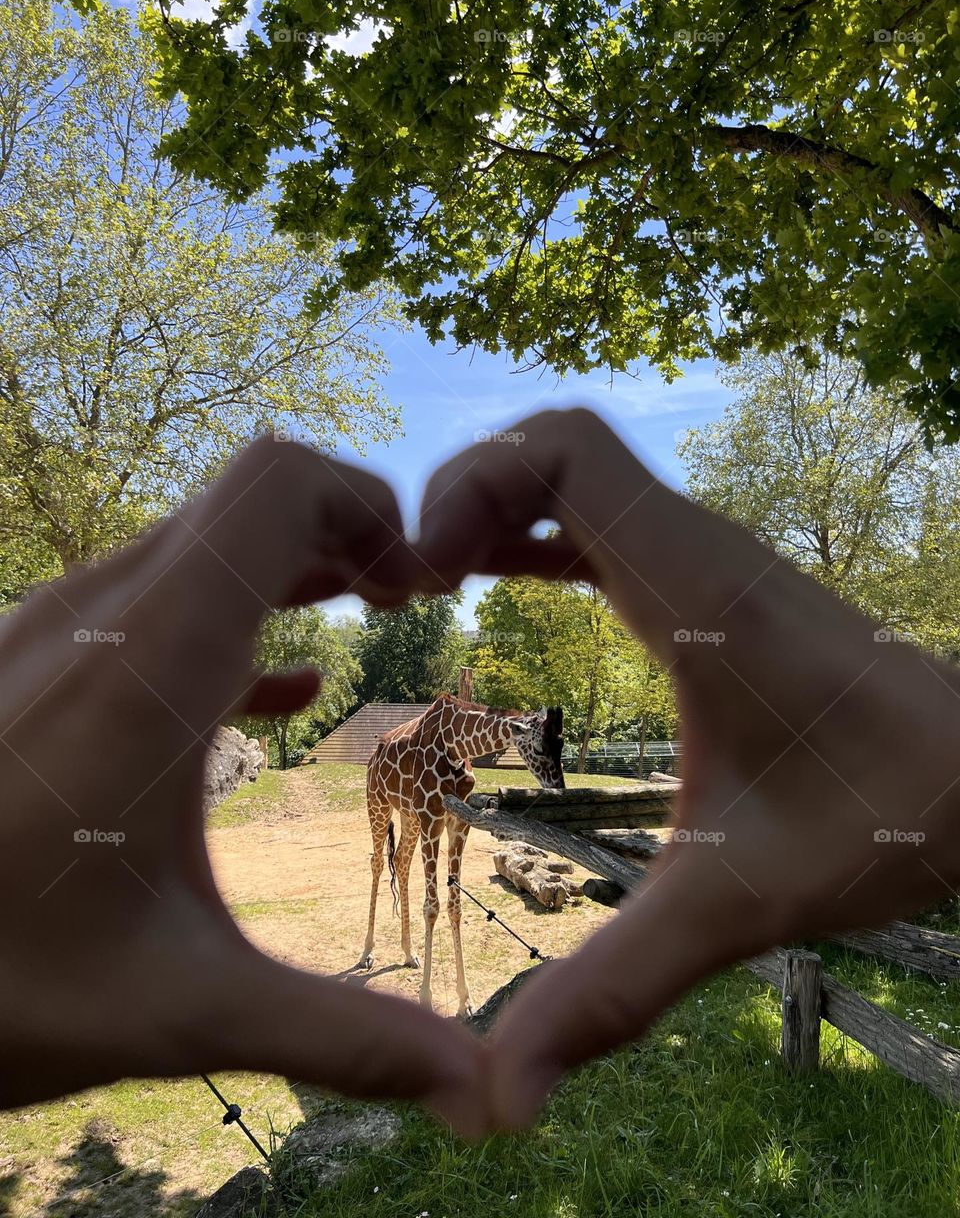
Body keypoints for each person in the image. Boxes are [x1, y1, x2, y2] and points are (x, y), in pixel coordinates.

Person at [2, 409, 958, 1140]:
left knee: (447, 871)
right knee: (391, 860)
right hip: (390, 795)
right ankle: (392, 939)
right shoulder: (394, 752)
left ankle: (436, 965)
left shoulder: (458, 757)